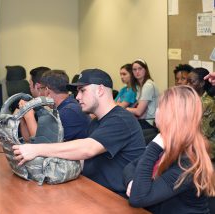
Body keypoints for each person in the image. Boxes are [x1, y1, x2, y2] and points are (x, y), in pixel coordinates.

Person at [13, 68, 146, 196]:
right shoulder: (96, 122)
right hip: (92, 189)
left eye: (82, 90)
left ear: (100, 90)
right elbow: (84, 159)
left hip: (115, 199)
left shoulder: (121, 119)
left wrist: (37, 149)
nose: (77, 97)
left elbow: (88, 149)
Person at [123, 85, 215, 214]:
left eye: (160, 107)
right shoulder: (169, 144)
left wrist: (153, 148)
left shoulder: (187, 164)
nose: (156, 111)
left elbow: (138, 199)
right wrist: (132, 182)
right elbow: (130, 166)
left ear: (171, 115)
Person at [19, 70, 91, 142]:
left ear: (47, 90)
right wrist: (23, 116)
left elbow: (42, 146)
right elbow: (28, 139)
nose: (40, 94)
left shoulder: (69, 111)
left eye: (40, 89)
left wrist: (29, 117)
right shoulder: (61, 108)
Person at [187, 67, 215, 159]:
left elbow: (203, 134)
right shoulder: (195, 100)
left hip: (207, 147)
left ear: (202, 83)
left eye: (191, 82)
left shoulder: (207, 103)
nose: (187, 85)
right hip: (196, 142)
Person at [127, 59, 159, 129]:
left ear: (145, 70)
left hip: (149, 123)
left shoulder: (148, 85)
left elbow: (139, 112)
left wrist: (125, 109)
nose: (137, 72)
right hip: (143, 120)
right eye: (134, 70)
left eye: (140, 69)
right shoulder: (140, 86)